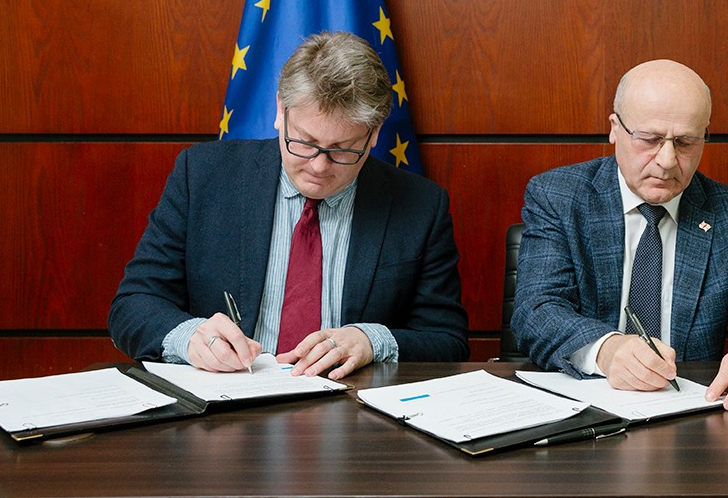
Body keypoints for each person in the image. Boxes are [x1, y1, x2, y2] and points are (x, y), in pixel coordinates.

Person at [109, 31, 468, 379]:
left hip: (351, 408)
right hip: (227, 405)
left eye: (342, 150)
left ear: (374, 133)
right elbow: (133, 304)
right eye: (305, 142)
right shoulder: (203, 176)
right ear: (281, 110)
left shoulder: (421, 206)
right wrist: (189, 337)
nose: (319, 166)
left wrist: (372, 341)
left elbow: (448, 341)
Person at [513, 59, 728, 409]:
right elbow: (537, 310)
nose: (667, 161)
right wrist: (606, 350)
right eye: (650, 139)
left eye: (685, 142)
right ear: (615, 129)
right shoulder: (559, 197)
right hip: (587, 412)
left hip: (692, 413)